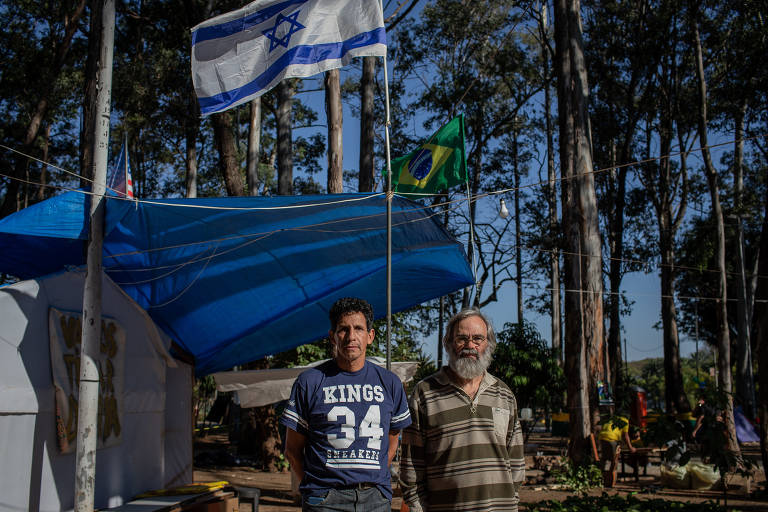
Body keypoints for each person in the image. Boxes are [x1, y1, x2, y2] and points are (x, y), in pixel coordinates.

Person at [280, 297, 412, 511]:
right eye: (343, 329)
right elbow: (292, 450)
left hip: (375, 499)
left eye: (359, 328)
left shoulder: (389, 383)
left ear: (370, 336)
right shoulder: (310, 381)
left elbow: (392, 442)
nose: (351, 336)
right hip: (325, 500)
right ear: (332, 336)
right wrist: (316, 489)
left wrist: (374, 482)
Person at [399, 308, 525, 512]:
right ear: (448, 343)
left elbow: (516, 463)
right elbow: (412, 467)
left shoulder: (504, 394)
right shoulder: (425, 393)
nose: (470, 346)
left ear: (489, 345)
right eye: (461, 338)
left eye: (478, 339)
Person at [597, 408, 636, 488]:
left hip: (602, 437)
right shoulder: (625, 421)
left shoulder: (612, 418)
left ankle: (601, 478)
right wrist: (630, 447)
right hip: (611, 439)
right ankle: (611, 482)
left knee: (604, 459)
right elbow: (626, 436)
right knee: (614, 461)